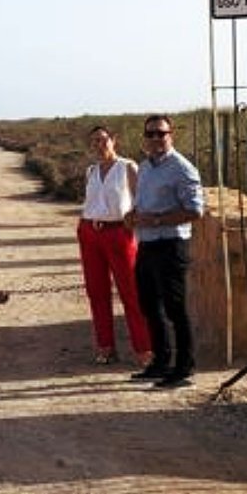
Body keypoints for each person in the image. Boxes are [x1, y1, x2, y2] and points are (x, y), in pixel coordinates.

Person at [124, 115, 205, 389]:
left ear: (171, 135)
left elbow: (195, 211)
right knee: (149, 306)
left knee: (175, 309)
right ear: (144, 138)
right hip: (147, 244)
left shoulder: (182, 169)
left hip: (171, 245)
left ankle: (184, 369)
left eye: (161, 133)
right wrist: (134, 215)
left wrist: (156, 220)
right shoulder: (146, 167)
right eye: (151, 134)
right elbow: (145, 204)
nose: (156, 139)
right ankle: (161, 362)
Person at [76, 126, 152, 366]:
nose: (99, 145)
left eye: (103, 140)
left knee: (132, 292)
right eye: (94, 142)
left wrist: (134, 219)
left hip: (119, 232)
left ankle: (144, 349)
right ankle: (105, 347)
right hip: (90, 232)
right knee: (96, 292)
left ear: (113, 140)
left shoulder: (128, 167)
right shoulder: (91, 171)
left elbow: (143, 200)